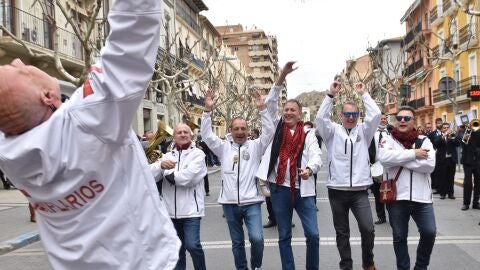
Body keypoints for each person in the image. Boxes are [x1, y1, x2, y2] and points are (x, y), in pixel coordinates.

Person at [0, 0, 181, 268]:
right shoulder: (89, 120)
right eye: (21, 70)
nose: (17, 60)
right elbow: (133, 33)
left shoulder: (9, 154)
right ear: (48, 97)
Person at [257, 61, 322, 270]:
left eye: (293, 109)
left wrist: (310, 169)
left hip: (304, 191)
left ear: (299, 114)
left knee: (313, 234)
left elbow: (316, 156)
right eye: (286, 109)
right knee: (284, 235)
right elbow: (272, 101)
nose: (288, 112)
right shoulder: (277, 127)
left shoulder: (309, 134)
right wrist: (282, 75)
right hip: (280, 190)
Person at [200, 88, 274, 270]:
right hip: (230, 203)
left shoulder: (256, 146)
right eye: (236, 129)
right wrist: (207, 112)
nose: (240, 132)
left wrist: (263, 109)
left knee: (257, 238)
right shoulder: (223, 147)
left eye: (243, 128)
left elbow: (270, 132)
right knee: (237, 243)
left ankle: (256, 266)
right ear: (230, 131)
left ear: (248, 130)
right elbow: (207, 136)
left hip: (252, 202)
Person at [316, 80, 381, 270]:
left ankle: (368, 261)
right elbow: (321, 119)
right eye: (347, 114)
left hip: (360, 190)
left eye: (354, 114)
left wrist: (364, 94)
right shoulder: (332, 132)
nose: (351, 117)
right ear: (341, 115)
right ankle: (346, 265)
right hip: (337, 190)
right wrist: (330, 96)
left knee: (368, 229)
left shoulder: (365, 131)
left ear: (358, 116)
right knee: (342, 232)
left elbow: (376, 114)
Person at [378, 106, 436, 270]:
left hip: (422, 198)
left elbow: (430, 165)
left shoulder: (424, 140)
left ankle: (420, 266)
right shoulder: (387, 139)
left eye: (406, 118)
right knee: (399, 237)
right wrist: (413, 154)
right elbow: (384, 158)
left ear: (414, 121)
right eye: (399, 118)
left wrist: (399, 159)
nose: (402, 121)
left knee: (429, 233)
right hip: (396, 198)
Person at [151, 123, 208, 270]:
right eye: (179, 132)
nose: (183, 134)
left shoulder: (199, 154)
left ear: (191, 135)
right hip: (169, 212)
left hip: (191, 211)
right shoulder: (167, 156)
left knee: (193, 245)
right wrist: (160, 166)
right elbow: (149, 175)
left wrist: (168, 174)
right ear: (174, 136)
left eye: (185, 132)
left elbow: (189, 178)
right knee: (176, 250)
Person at [368, 113, 389, 225]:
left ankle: (393, 215)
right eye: (381, 119)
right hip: (375, 168)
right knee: (378, 194)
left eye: (385, 119)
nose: (383, 120)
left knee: (390, 192)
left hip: (389, 168)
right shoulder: (371, 134)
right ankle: (381, 216)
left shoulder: (391, 133)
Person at [432, 123, 459, 199]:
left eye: (447, 127)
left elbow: (458, 144)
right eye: (444, 128)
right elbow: (436, 144)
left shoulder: (452, 136)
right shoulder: (438, 137)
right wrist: (443, 136)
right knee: (442, 177)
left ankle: (451, 194)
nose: (446, 129)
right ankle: (443, 194)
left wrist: (453, 138)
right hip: (442, 160)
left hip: (451, 160)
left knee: (451, 177)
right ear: (442, 129)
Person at [459, 127, 480, 210]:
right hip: (467, 161)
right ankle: (466, 203)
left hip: (478, 160)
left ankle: (476, 202)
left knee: (478, 182)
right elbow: (463, 143)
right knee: (467, 183)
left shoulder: (478, 132)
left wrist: (476, 131)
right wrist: (469, 131)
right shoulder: (464, 131)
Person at [427, 118, 443, 192]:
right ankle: (436, 187)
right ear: (436, 124)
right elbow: (429, 144)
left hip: (443, 155)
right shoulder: (432, 134)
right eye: (438, 123)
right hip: (435, 155)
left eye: (441, 123)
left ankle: (443, 187)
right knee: (436, 172)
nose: (439, 124)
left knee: (443, 172)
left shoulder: (445, 132)